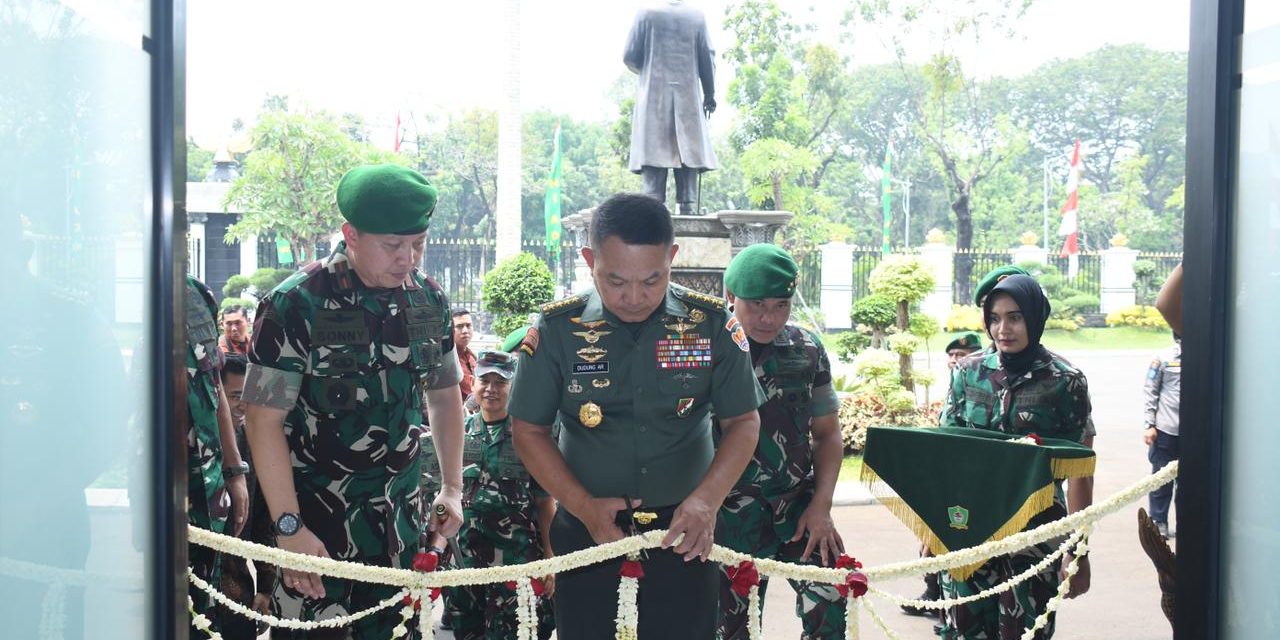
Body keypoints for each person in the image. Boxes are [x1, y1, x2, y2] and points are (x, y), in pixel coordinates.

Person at [509, 192, 764, 639]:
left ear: (672, 258)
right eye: (615, 281)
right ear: (590, 260)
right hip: (587, 530)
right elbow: (528, 430)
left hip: (686, 533)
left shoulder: (710, 325)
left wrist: (706, 501)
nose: (633, 297)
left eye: (651, 280)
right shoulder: (557, 329)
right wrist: (583, 507)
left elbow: (743, 422)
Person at [242, 163, 465, 639]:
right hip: (315, 542)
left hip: (401, 538)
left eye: (418, 244)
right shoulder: (295, 304)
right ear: (351, 235)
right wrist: (288, 528)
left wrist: (452, 488)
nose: (407, 259)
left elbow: (446, 396)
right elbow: (262, 420)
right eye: (392, 245)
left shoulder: (428, 301)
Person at [939, 274, 1094, 639]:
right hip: (969, 527)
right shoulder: (968, 371)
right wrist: (935, 528)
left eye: (1015, 317)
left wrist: (1079, 550)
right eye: (994, 318)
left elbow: (1081, 471)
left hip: (1036, 532)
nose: (1002, 329)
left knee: (1025, 632)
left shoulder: (1065, 380)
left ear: (1035, 318)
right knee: (964, 631)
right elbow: (946, 452)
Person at [714, 244, 847, 638]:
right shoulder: (708, 350)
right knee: (732, 628)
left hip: (796, 508)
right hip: (727, 515)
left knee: (832, 593)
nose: (769, 318)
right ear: (731, 296)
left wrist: (821, 506)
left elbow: (827, 434)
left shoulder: (806, 350)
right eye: (757, 305)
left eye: (781, 305)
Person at [451, 350, 557, 639]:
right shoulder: (458, 434)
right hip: (465, 561)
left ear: (514, 386)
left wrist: (550, 558)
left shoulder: (530, 438)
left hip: (515, 561)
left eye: (501, 382)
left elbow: (545, 502)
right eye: (485, 380)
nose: (491, 389)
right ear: (473, 383)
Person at [900, 330, 985, 620]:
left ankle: (951, 606)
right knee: (933, 536)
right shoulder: (956, 385)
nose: (954, 360)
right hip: (948, 479)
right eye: (951, 355)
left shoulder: (982, 383)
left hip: (974, 483)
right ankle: (935, 594)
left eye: (961, 355)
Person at [187, 275, 250, 630]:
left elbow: (215, 386)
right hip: (163, 480)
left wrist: (234, 471)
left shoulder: (196, 296)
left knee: (205, 601)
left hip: (207, 486)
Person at [624, 1, 717, 214]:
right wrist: (710, 94)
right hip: (688, 98)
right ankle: (688, 207)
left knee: (653, 163)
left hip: (653, 99)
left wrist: (648, 69)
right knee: (689, 154)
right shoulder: (697, 16)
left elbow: (629, 55)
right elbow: (707, 57)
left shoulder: (646, 12)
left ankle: (653, 212)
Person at [217, 353, 278, 639]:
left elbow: (264, 522)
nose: (243, 404)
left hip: (238, 595)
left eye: (249, 397)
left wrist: (265, 588)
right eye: (234, 396)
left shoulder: (254, 445)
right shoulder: (193, 448)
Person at [1143, 333, 1181, 539]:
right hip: (1166, 430)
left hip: (1195, 433)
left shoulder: (1202, 356)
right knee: (1161, 481)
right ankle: (1159, 522)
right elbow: (1151, 390)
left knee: (1190, 483)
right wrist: (1149, 424)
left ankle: (1187, 523)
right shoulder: (1163, 358)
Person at [453, 308, 477, 402]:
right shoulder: (446, 360)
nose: (465, 330)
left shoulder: (472, 356)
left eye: (468, 325)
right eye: (459, 326)